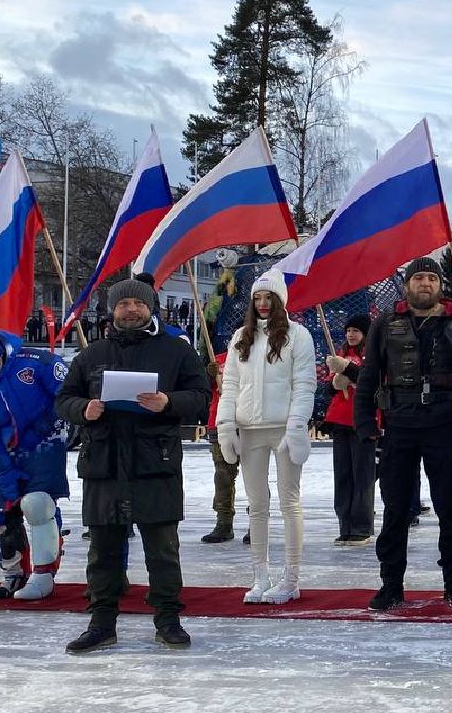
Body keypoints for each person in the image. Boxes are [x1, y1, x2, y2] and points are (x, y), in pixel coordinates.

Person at [55, 276, 210, 652]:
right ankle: (102, 622)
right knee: (103, 552)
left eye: (139, 304)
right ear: (113, 310)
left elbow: (202, 397)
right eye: (124, 304)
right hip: (104, 465)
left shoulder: (175, 351)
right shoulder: (91, 354)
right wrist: (83, 409)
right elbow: (64, 399)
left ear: (150, 308)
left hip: (155, 464)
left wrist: (168, 402)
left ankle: (168, 620)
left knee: (162, 551)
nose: (131, 309)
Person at [355, 257, 452, 611]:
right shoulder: (386, 324)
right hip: (398, 426)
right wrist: (366, 422)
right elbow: (369, 377)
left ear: (440, 284)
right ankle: (391, 584)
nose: (425, 284)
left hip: (444, 426)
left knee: (448, 507)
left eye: (431, 278)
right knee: (395, 508)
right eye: (419, 278)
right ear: (407, 285)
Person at [217, 271, 316, 605]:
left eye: (268, 298)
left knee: (290, 502)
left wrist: (297, 424)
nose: (262, 304)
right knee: (257, 506)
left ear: (279, 302)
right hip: (251, 430)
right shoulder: (240, 338)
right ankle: (260, 576)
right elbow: (229, 384)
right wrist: (225, 425)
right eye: (257, 298)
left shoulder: (298, 336)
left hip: (284, 429)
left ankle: (291, 579)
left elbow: (305, 384)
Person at [0, 322, 71, 602]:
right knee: (0, 513)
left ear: (1, 353)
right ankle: (13, 573)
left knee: (37, 504)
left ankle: (44, 573)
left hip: (47, 440)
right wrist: (2, 467)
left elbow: (68, 396)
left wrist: (44, 425)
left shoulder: (38, 361)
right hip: (7, 447)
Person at [324, 313, 376, 545]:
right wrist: (334, 383)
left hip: (363, 422)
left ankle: (362, 526)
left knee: (362, 475)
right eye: (348, 331)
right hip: (340, 421)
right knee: (343, 475)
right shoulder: (340, 354)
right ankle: (345, 524)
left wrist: (350, 372)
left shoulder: (372, 355)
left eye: (356, 330)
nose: (351, 334)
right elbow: (327, 390)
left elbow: (374, 381)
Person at [200, 351, 243, 544]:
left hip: (250, 422)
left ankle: (258, 523)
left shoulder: (260, 358)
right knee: (223, 476)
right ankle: (223, 522)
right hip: (220, 421)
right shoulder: (217, 360)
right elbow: (201, 389)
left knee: (256, 476)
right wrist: (208, 376)